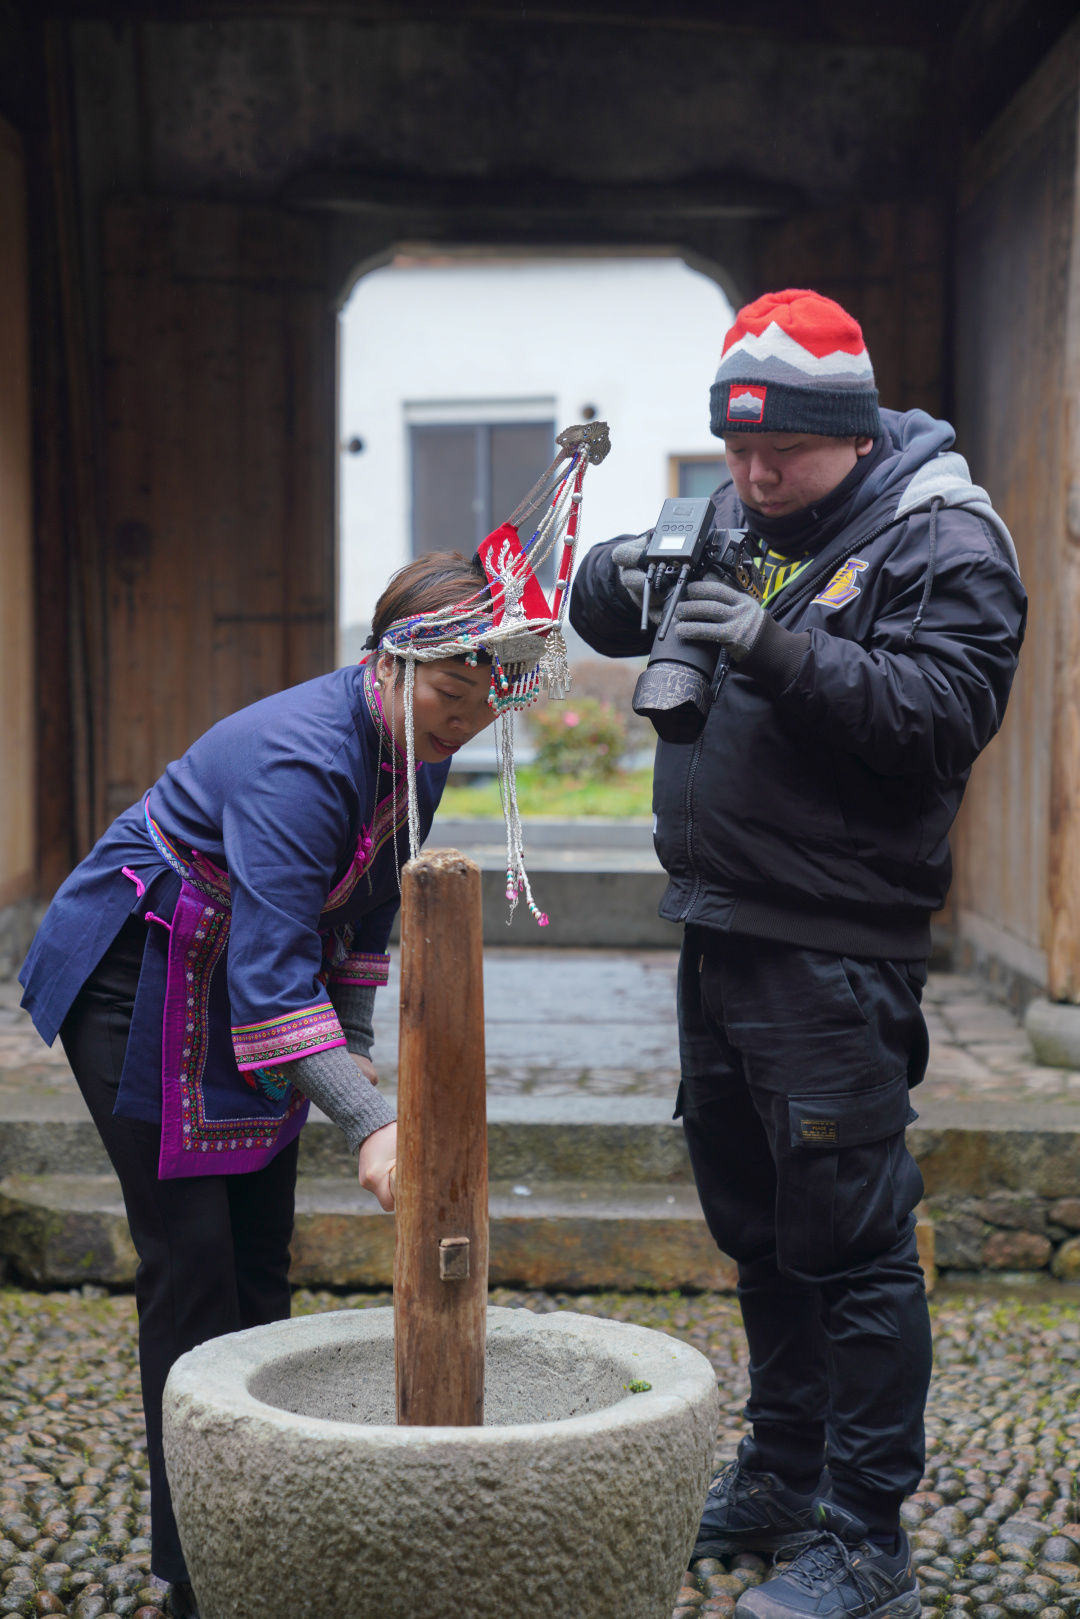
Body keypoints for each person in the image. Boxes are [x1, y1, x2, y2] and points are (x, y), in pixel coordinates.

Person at [569, 289, 1026, 1619]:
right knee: (760, 1227)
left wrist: (772, 643)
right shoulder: (735, 511)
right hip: (721, 924)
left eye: (784, 454)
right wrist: (618, 577)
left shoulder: (946, 536)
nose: (754, 477)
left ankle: (867, 1535)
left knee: (856, 1240)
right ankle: (782, 1469)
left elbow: (941, 714)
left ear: (855, 432)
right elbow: (618, 627)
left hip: (834, 947)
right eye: (734, 449)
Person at [18, 553, 502, 1619]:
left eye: (486, 698)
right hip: (137, 965)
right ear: (387, 663)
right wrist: (371, 1121)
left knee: (259, 1253)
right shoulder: (304, 758)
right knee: (191, 1264)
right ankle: (196, 1563)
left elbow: (371, 910)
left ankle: (267, 1516)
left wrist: (361, 1050)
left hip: (242, 966)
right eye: (448, 694)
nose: (465, 719)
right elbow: (277, 981)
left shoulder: (420, 742)